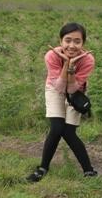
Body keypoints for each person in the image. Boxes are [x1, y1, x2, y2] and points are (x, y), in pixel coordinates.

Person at [26, 22, 97, 182]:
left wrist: (71, 66)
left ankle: (88, 170)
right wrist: (66, 63)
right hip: (54, 89)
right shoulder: (51, 56)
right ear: (60, 41)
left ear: (83, 43)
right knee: (57, 127)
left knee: (69, 132)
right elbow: (59, 87)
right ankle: (43, 168)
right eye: (68, 40)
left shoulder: (88, 60)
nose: (72, 45)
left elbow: (72, 90)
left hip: (76, 92)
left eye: (77, 41)